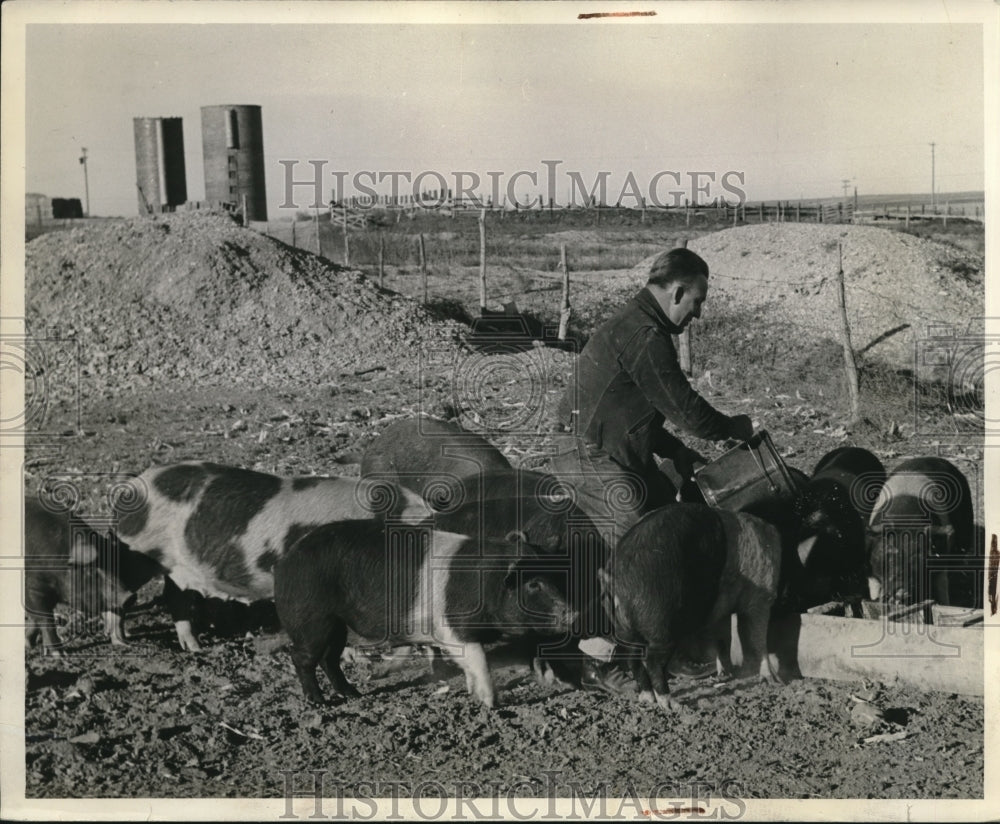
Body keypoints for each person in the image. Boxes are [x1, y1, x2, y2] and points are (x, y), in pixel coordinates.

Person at [546, 246, 754, 691]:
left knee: (669, 525)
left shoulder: (640, 326)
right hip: (587, 454)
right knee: (641, 549)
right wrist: (731, 428)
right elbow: (685, 408)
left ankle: (665, 642)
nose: (697, 314)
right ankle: (603, 658)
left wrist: (676, 451)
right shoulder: (643, 335)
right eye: (696, 301)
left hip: (610, 449)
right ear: (677, 291)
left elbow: (634, 412)